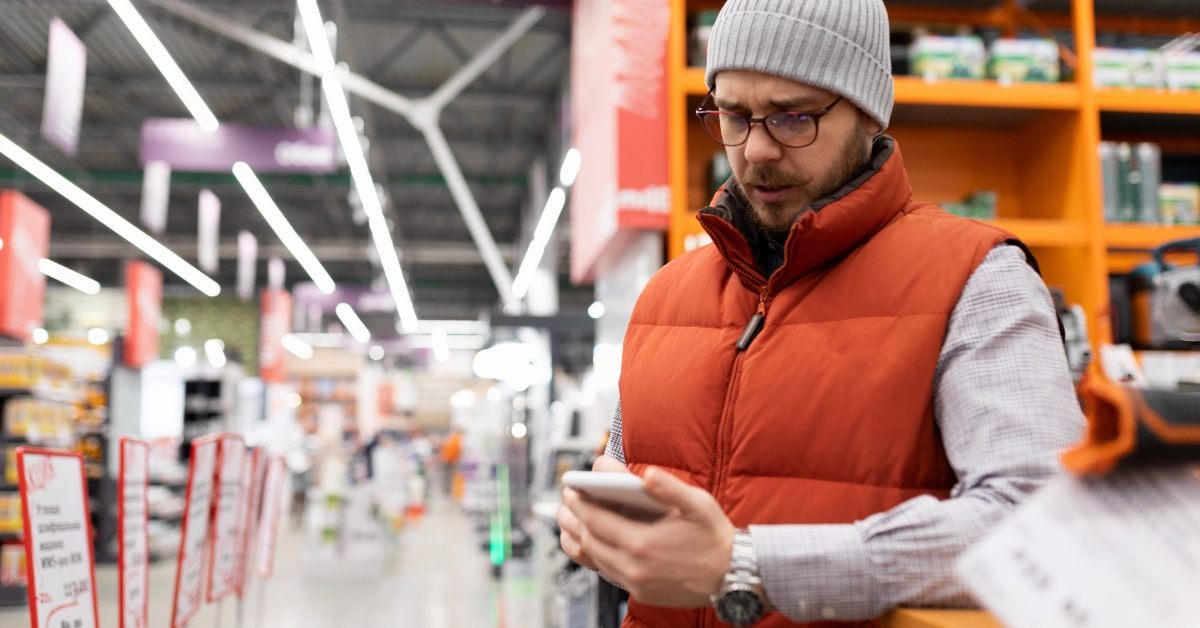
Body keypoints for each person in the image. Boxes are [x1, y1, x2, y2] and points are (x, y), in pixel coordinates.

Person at [557, 1, 1085, 626]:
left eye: (792, 118)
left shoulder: (976, 279)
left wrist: (750, 565)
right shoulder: (667, 295)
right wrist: (603, 524)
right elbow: (622, 459)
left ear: (867, 111)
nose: (756, 150)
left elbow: (1042, 523)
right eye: (732, 114)